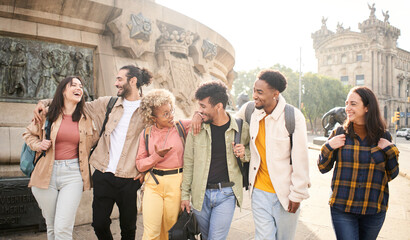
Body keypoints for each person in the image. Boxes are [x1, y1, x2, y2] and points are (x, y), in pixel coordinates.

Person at [34, 65, 153, 240]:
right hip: (103, 174)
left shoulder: (147, 109)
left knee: (128, 227)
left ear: (133, 81)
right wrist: (43, 103)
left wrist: (146, 169)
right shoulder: (108, 103)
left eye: (120, 79)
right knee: (99, 224)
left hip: (129, 177)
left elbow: (159, 136)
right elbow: (73, 103)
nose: (116, 83)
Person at [236, 69, 310, 240]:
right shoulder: (249, 110)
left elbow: (301, 159)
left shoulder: (293, 117)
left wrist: (297, 194)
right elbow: (226, 120)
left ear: (275, 94)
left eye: (260, 92)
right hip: (258, 192)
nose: (254, 95)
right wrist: (197, 117)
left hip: (285, 194)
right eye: (254, 90)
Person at [318, 86, 399, 240]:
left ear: (367, 107)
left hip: (374, 209)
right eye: (346, 103)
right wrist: (328, 146)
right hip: (342, 207)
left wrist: (391, 150)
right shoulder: (339, 133)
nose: (347, 108)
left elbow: (392, 174)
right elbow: (322, 167)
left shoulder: (383, 136)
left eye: (353, 104)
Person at [23, 76, 97, 239]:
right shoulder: (47, 114)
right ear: (63, 90)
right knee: (52, 226)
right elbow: (28, 133)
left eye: (81, 86)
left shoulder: (86, 118)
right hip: (45, 174)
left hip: (73, 175)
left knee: (63, 228)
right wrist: (38, 145)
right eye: (74, 85)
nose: (79, 88)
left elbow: (95, 140)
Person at [181, 80, 250, 240]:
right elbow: (189, 162)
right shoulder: (197, 128)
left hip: (226, 194)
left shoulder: (240, 127)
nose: (200, 111)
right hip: (200, 195)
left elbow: (253, 155)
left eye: (203, 107)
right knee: (206, 237)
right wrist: (185, 195)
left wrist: (244, 153)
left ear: (218, 106)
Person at [135, 89, 191, 240]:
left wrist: (198, 116)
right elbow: (140, 165)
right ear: (153, 118)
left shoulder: (181, 126)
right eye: (165, 114)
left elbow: (203, 121)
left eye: (171, 110)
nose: (171, 115)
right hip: (153, 184)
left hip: (176, 183)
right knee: (150, 232)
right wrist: (156, 156)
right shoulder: (146, 133)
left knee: (169, 232)